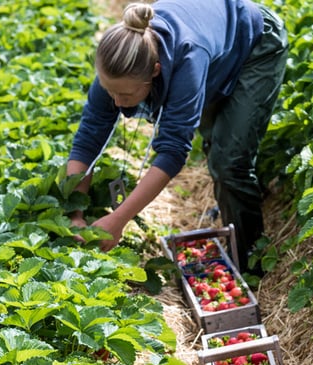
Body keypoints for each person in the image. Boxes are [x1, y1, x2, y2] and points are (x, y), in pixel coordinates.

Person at [67, 0, 288, 273]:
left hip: (255, 43)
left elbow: (173, 151)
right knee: (221, 140)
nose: (118, 102)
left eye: (126, 95)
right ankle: (244, 194)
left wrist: (119, 219)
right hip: (213, 44)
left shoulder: (188, 59)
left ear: (155, 72)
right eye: (110, 92)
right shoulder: (118, 65)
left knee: (229, 161)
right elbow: (88, 139)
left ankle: (251, 260)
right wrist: (74, 213)